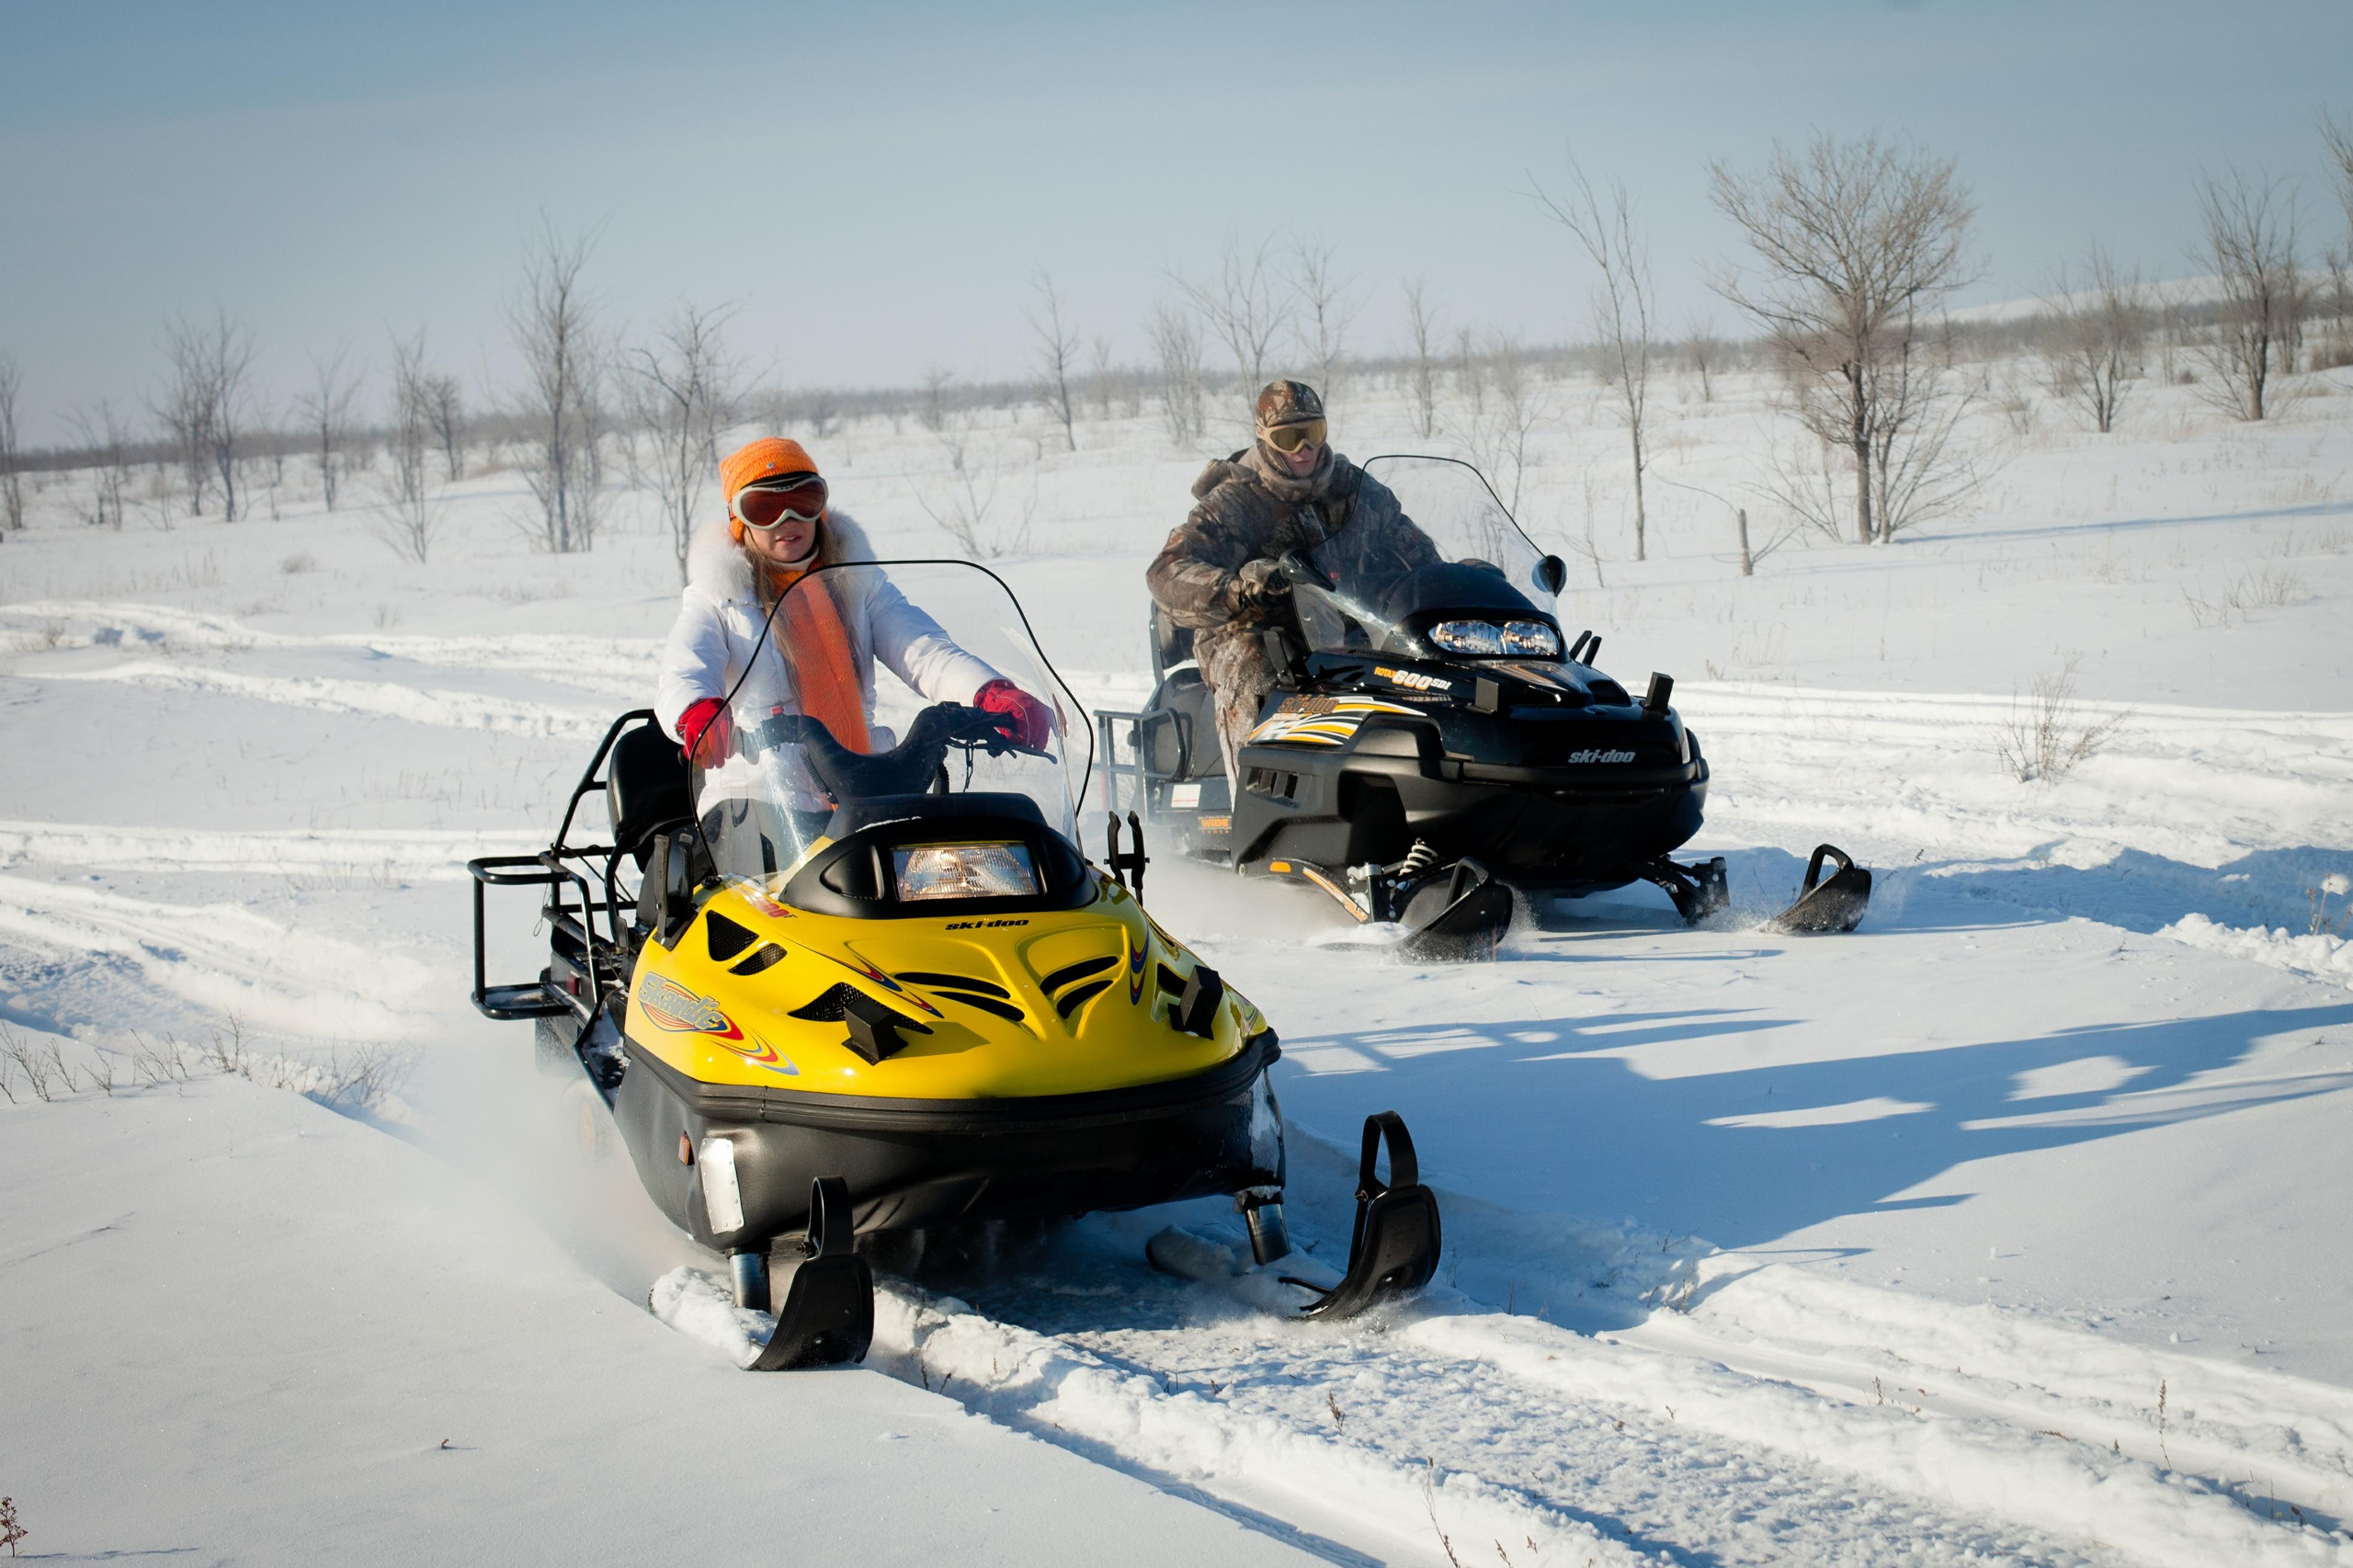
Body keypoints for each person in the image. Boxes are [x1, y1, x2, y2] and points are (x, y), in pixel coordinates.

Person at [656, 437, 1053, 871]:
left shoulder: (857, 582)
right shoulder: (718, 600)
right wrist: (698, 711)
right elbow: (685, 667)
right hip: (757, 807)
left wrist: (988, 691)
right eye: (766, 509)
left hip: (864, 796)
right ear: (739, 520)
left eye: (804, 500)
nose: (789, 519)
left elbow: (922, 648)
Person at [1146, 381, 1440, 782]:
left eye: (1313, 433)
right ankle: (1253, 810)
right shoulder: (1235, 501)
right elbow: (1167, 572)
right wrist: (1239, 590)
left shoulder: (1357, 492)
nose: (1304, 448)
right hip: (1257, 628)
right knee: (1253, 665)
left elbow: (1418, 553)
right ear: (1264, 439)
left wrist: (1462, 580)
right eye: (1288, 437)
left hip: (1354, 627)